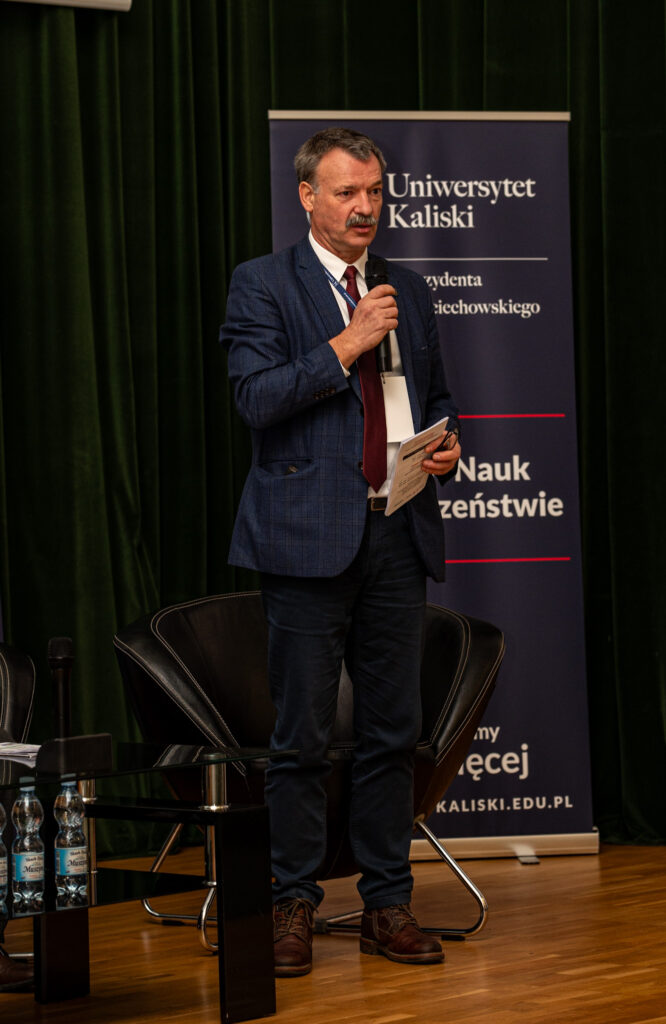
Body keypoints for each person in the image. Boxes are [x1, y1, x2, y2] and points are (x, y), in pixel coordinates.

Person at [220, 126, 461, 977]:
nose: (365, 208)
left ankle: (386, 904)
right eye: (347, 192)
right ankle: (291, 901)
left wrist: (447, 444)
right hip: (305, 543)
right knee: (301, 738)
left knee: (393, 734)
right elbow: (256, 399)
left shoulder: (409, 288)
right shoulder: (263, 284)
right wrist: (347, 343)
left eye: (375, 191)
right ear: (308, 197)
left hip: (396, 531)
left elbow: (436, 395)